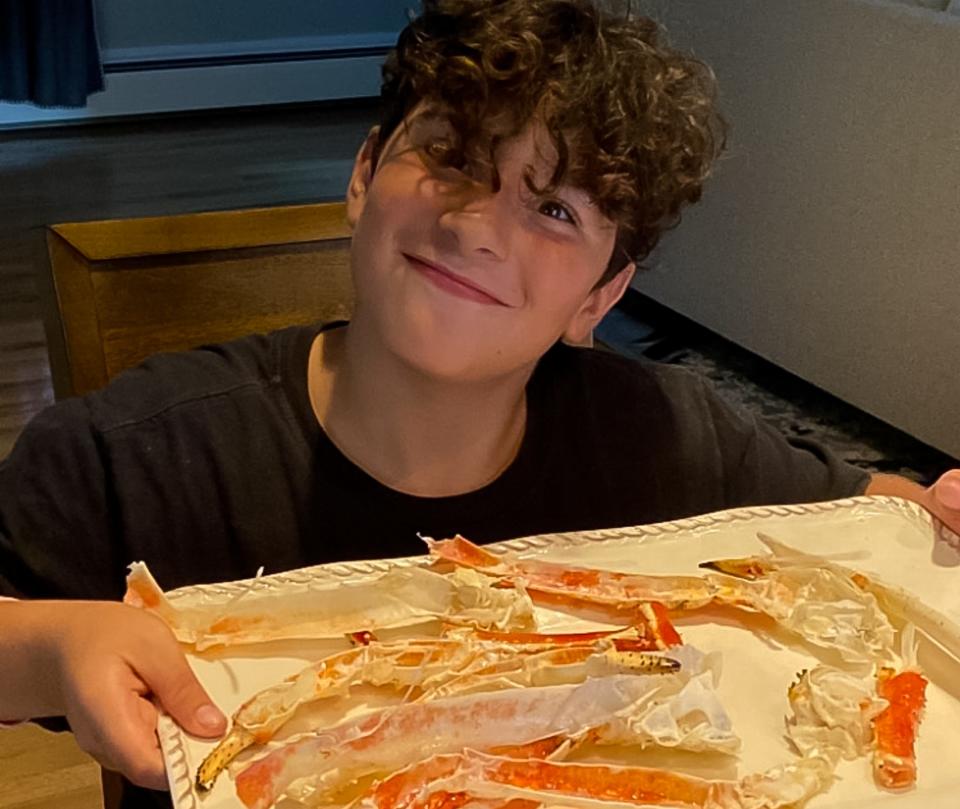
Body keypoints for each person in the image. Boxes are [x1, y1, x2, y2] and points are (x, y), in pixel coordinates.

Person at [1, 1, 958, 806]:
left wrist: (934, 503)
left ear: (600, 298)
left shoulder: (665, 436)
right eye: (454, 157)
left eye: (554, 210)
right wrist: (52, 646)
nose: (476, 228)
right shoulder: (134, 457)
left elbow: (871, 515)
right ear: (365, 174)